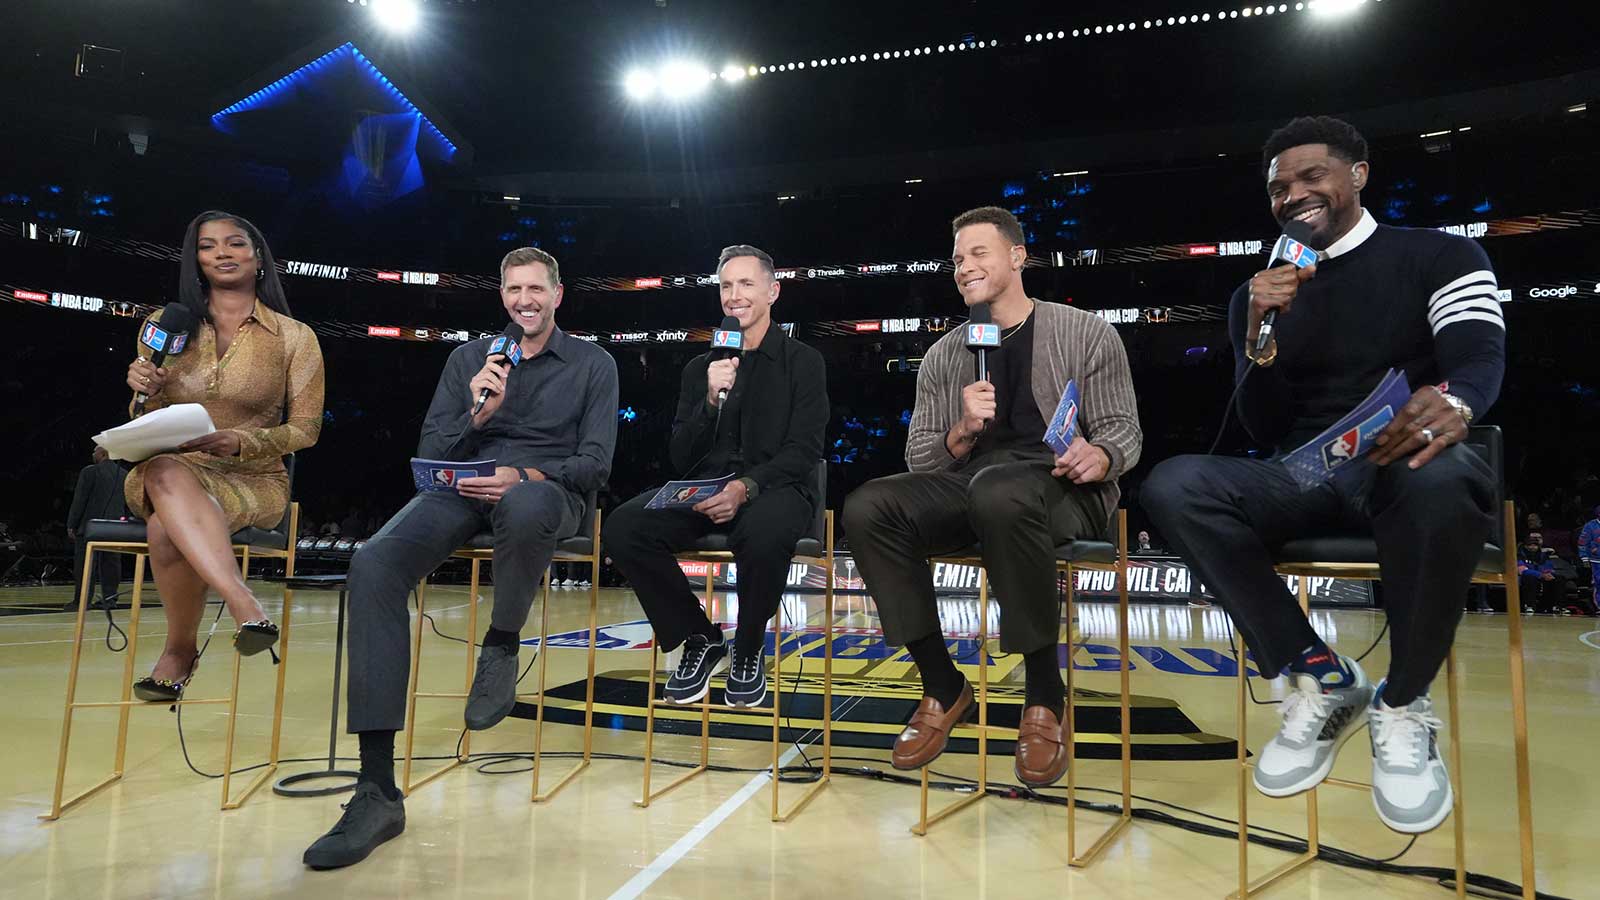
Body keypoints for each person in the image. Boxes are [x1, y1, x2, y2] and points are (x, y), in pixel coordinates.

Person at [1142, 116, 1505, 834]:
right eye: (1279, 186)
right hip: (1303, 475)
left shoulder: (1441, 254)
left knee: (1440, 473)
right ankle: (1318, 673)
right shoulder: (1261, 293)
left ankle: (1401, 704)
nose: (1293, 194)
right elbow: (1263, 429)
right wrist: (1259, 344)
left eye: (1312, 176)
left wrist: (1455, 401)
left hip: (1403, 463)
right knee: (1173, 484)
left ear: (1358, 174)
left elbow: (1478, 358)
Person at [304, 246, 617, 870]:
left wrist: (522, 471)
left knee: (526, 503)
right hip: (463, 490)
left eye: (535, 289)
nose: (523, 300)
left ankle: (502, 645)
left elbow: (596, 464)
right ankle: (376, 790)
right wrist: (480, 417)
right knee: (372, 565)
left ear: (558, 295)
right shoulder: (469, 361)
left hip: (548, 493)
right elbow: (430, 451)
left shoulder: (594, 364)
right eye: (512, 290)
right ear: (501, 295)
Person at [842, 207, 1141, 787]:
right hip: (969, 486)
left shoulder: (1087, 333)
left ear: (1017, 257)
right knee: (868, 505)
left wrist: (1100, 456)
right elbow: (920, 459)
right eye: (957, 259)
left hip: (1059, 485)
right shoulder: (946, 353)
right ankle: (942, 684)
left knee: (999, 490)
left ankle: (1044, 695)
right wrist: (961, 431)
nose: (964, 267)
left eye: (979, 253)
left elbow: (1124, 429)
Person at [606, 245, 828, 708]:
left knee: (765, 530)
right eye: (726, 286)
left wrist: (745, 487)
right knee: (625, 527)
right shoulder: (699, 369)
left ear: (772, 291)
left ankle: (748, 648)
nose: (734, 295)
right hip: (706, 489)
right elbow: (680, 457)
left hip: (776, 488)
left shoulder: (803, 361)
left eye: (746, 284)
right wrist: (709, 400)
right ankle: (701, 638)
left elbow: (804, 450)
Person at [122, 210, 324, 702]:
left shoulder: (295, 338)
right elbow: (139, 414)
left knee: (162, 525)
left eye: (235, 243)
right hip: (169, 467)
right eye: (208, 246)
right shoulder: (162, 326)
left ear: (258, 259)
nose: (222, 253)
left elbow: (307, 429)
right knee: (167, 470)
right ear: (196, 260)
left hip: (253, 476)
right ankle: (244, 604)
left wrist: (243, 441)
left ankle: (178, 650)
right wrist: (143, 391)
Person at [64, 446, 127, 611]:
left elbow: (80, 500)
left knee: (85, 564)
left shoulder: (90, 471)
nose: (92, 454)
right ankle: (110, 599)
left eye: (94, 451)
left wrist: (72, 524)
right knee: (111, 564)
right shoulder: (124, 474)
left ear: (103, 454)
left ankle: (82, 601)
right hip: (115, 527)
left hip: (91, 526)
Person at [1517, 533, 1574, 614]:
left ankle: (1559, 606)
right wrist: (1540, 575)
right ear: (1525, 546)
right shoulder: (1520, 555)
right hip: (1527, 577)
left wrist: (1548, 573)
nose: (1532, 547)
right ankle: (1529, 605)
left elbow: (1548, 567)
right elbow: (1522, 570)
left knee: (1559, 579)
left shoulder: (1543, 555)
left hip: (1542, 575)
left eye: (1535, 545)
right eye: (1529, 545)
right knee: (1530, 578)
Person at [1579, 506, 1600, 613]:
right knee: (1598, 582)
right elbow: (1583, 543)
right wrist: (1584, 558)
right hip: (1596, 560)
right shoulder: (1590, 526)